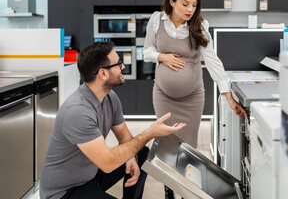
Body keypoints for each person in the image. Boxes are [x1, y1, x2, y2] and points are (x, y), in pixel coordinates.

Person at [39, 42, 186, 199]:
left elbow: (124, 136)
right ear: (102, 74)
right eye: (118, 63)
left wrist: (131, 158)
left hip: (91, 176)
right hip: (65, 192)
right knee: (135, 147)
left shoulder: (110, 97)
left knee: (141, 153)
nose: (123, 67)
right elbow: (107, 163)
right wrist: (149, 133)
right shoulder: (77, 111)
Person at [143, 0, 248, 199]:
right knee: (166, 144)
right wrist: (162, 56)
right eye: (185, 4)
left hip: (192, 97)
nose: (190, 9)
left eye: (194, 5)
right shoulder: (156, 21)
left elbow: (213, 61)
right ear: (171, 2)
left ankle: (185, 191)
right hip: (163, 95)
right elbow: (146, 52)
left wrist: (228, 96)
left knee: (186, 147)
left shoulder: (200, 25)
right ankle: (169, 191)